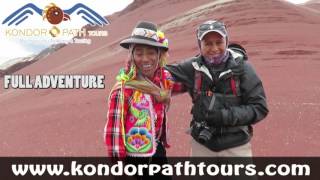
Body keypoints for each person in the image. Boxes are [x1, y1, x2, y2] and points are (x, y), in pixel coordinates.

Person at [166, 20, 269, 157]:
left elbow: (259, 108)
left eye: (219, 42)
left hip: (236, 146)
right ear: (199, 45)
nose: (214, 48)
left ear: (226, 41)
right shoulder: (192, 67)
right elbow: (161, 73)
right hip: (202, 145)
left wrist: (224, 116)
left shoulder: (243, 68)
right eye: (208, 43)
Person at [104, 21, 173, 180]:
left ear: (159, 55)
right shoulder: (123, 90)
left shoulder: (162, 82)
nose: (145, 59)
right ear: (132, 55)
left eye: (151, 52)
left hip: (157, 153)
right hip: (132, 162)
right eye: (139, 53)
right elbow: (114, 136)